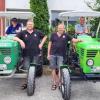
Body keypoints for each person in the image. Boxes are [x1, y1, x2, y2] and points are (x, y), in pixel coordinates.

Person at [13, 20, 47, 89]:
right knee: (26, 69)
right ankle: (27, 83)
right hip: (26, 55)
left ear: (33, 25)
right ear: (26, 25)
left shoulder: (37, 32)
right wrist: (21, 40)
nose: (30, 25)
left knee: (34, 69)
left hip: (36, 54)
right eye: (28, 24)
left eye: (31, 24)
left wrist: (41, 44)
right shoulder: (23, 33)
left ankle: (32, 82)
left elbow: (45, 36)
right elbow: (14, 37)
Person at [47, 23, 82, 90]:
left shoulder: (66, 35)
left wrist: (80, 40)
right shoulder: (53, 35)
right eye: (59, 28)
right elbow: (49, 44)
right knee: (53, 69)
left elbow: (74, 40)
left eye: (62, 28)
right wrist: (48, 54)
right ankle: (54, 83)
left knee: (60, 69)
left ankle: (60, 83)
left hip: (61, 55)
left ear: (64, 29)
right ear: (57, 28)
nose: (61, 29)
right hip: (52, 54)